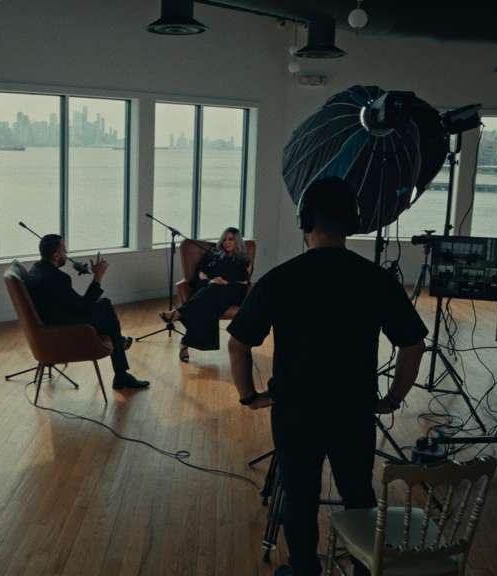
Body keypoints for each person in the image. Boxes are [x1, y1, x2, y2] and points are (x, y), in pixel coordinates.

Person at [225, 177, 428, 576]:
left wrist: (250, 396)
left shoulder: (280, 279)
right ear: (351, 223)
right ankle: (363, 568)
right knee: (358, 494)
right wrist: (393, 398)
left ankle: (304, 569)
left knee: (300, 496)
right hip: (353, 409)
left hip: (294, 410)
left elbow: (237, 345)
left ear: (305, 222)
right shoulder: (376, 279)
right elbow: (413, 345)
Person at [25, 234, 150, 390]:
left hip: (51, 323)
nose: (66, 254)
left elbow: (74, 304)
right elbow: (83, 306)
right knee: (106, 308)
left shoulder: (35, 270)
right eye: (64, 250)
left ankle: (119, 348)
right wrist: (98, 277)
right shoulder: (58, 278)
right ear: (56, 255)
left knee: (104, 307)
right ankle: (120, 367)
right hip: (63, 329)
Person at [158, 227, 252, 362]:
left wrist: (224, 280)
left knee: (211, 292)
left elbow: (244, 279)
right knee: (212, 294)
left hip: (233, 292)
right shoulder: (213, 253)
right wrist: (213, 280)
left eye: (231, 239)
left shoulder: (244, 258)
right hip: (213, 290)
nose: (226, 242)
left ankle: (179, 314)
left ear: (237, 241)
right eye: (224, 240)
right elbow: (201, 273)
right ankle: (184, 340)